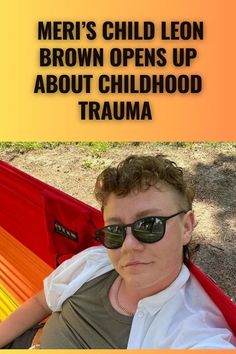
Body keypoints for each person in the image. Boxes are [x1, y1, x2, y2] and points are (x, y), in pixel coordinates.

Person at [0, 154, 235, 349]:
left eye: (149, 225)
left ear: (186, 227)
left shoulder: (193, 329)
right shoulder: (94, 263)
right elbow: (42, 302)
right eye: (114, 230)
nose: (128, 245)